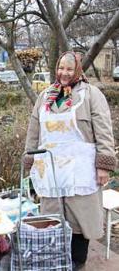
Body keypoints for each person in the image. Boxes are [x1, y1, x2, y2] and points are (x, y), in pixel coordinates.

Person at [24, 51, 116, 270]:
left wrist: (103, 165)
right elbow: (34, 130)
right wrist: (29, 159)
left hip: (80, 171)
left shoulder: (91, 95)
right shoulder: (46, 96)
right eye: (60, 68)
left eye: (69, 69)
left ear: (77, 71)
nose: (64, 73)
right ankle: (57, 262)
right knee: (53, 219)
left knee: (79, 221)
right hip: (51, 170)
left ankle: (78, 263)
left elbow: (104, 130)